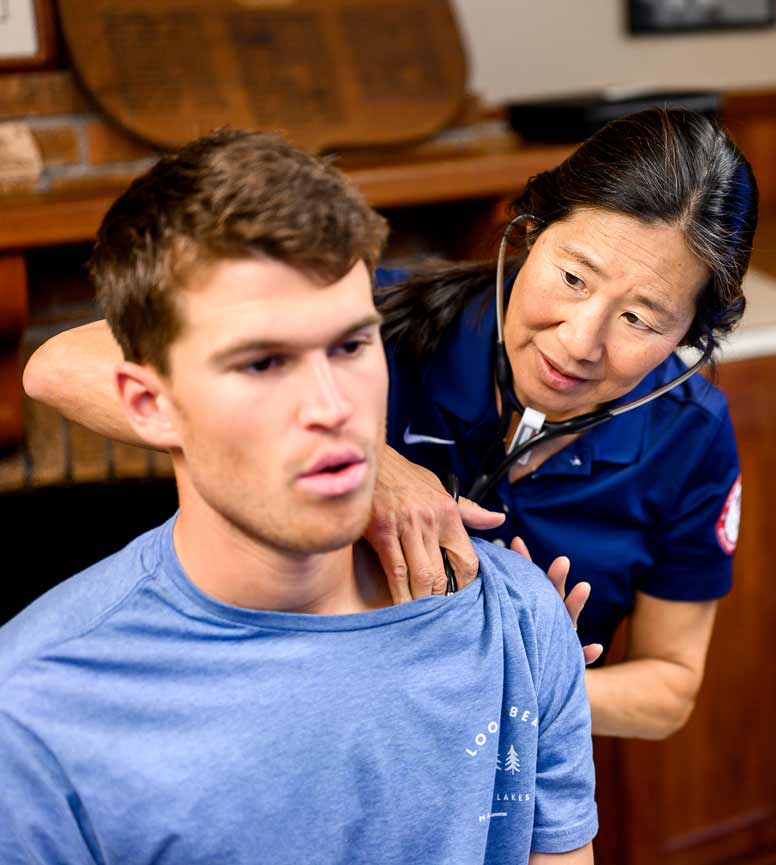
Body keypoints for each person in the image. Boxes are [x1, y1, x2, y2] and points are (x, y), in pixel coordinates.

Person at [24, 108, 760, 741]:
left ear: (689, 334)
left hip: (509, 755)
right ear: (530, 234)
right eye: (572, 278)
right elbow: (60, 365)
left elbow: (668, 689)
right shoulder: (372, 322)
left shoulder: (690, 435)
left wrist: (509, 679)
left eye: (640, 319)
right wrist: (370, 461)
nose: (579, 341)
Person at [1, 130, 597, 864]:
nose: (332, 407)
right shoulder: (35, 714)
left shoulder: (517, 622)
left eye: (350, 346)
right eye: (262, 363)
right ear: (149, 404)